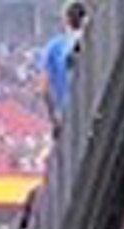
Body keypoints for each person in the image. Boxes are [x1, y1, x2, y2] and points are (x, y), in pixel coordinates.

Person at [39, 1, 88, 134]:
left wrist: (55, 119)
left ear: (65, 20)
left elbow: (43, 90)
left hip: (70, 114)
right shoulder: (96, 40)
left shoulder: (53, 47)